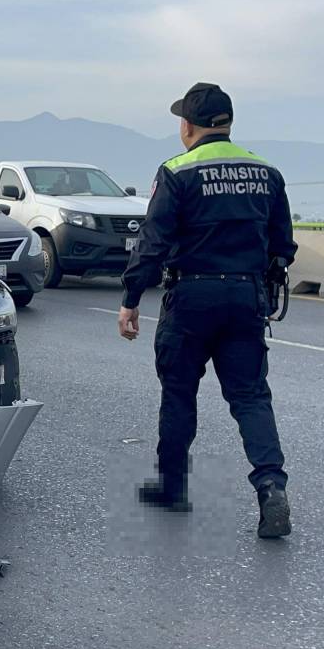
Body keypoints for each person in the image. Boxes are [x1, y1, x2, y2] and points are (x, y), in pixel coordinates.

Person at [118, 82, 296, 538]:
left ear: (188, 126)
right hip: (245, 297)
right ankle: (271, 485)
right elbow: (283, 245)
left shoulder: (177, 170)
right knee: (251, 396)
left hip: (192, 299)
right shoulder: (266, 172)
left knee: (179, 394)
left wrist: (131, 298)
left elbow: (153, 242)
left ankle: (172, 487)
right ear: (229, 123)